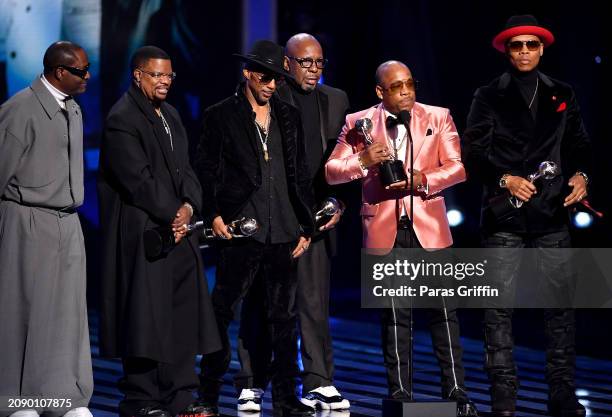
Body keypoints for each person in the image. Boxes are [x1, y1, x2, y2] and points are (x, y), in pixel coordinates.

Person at [326, 60, 478, 416]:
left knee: (444, 313)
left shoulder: (438, 116)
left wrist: (422, 180)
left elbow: (457, 168)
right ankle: (400, 394)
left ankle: (456, 392)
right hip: (384, 228)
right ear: (380, 92)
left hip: (430, 228)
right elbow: (332, 173)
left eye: (410, 83)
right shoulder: (358, 123)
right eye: (397, 86)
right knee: (395, 317)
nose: (407, 91)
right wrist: (362, 159)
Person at [462, 15, 591, 417]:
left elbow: (579, 145)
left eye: (530, 45)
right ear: (506, 49)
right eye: (516, 45)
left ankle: (562, 392)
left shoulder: (562, 92)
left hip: (552, 213)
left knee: (560, 308)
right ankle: (504, 394)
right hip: (505, 216)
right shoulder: (489, 95)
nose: (523, 52)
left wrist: (582, 176)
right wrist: (505, 179)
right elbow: (473, 153)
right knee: (497, 308)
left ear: (541, 49)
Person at [194, 39, 315, 417]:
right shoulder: (221, 115)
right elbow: (206, 170)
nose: (271, 85)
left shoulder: (287, 116)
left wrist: (306, 225)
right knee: (222, 314)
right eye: (265, 77)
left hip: (282, 232)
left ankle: (285, 398)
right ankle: (208, 396)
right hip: (240, 231)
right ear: (247, 73)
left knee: (284, 321)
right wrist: (213, 214)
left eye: (277, 78)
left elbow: (299, 175)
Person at [97, 45, 220, 417]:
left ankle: (181, 394)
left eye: (169, 75)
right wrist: (173, 214)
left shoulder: (171, 114)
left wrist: (189, 207)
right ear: (138, 75)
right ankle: (142, 398)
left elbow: (187, 169)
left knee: (182, 314)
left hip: (179, 233)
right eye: (157, 75)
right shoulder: (122, 118)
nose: (165, 81)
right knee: (144, 317)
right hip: (144, 233)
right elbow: (138, 180)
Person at [235, 33, 351, 411]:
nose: (314, 70)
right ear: (287, 64)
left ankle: (319, 381)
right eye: (306, 62)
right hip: (273, 219)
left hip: (316, 219)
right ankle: (253, 381)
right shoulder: (269, 99)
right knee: (263, 302)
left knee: (314, 303)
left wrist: (336, 203)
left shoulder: (336, 101)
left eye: (320, 62)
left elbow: (344, 161)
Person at [0, 41, 93, 417]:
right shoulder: (20, 109)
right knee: (23, 309)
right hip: (27, 219)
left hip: (68, 220)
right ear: (59, 72)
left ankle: (64, 396)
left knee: (67, 313)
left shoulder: (73, 109)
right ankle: (18, 398)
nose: (88, 77)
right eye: (81, 71)